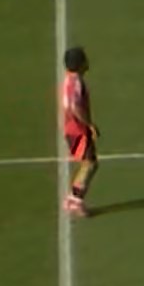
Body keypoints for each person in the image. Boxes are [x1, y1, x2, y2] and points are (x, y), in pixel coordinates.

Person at [59, 47, 97, 216]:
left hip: (72, 129)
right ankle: (74, 200)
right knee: (89, 163)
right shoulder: (75, 82)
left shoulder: (70, 80)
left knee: (89, 162)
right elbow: (74, 106)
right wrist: (89, 124)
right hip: (77, 130)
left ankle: (73, 199)